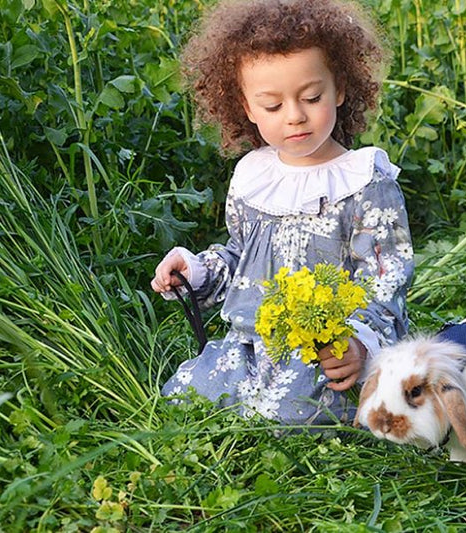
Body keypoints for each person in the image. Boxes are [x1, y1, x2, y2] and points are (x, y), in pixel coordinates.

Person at [150, 0, 413, 424]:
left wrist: (358, 344)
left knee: (294, 413)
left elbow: (386, 279)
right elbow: (242, 255)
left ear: (340, 88)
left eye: (311, 97)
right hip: (254, 345)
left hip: (327, 351)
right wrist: (196, 271)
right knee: (186, 397)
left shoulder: (365, 182)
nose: (294, 116)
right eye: (272, 106)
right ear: (247, 107)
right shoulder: (255, 176)